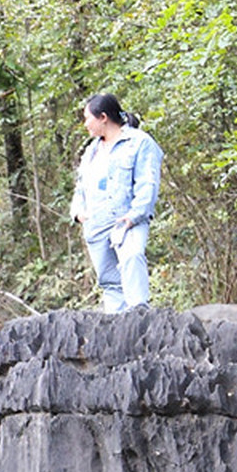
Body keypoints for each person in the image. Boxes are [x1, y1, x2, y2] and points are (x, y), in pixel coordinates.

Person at [70, 93, 164, 312]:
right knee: (111, 284)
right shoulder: (91, 150)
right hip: (97, 225)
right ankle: (117, 330)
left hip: (127, 220)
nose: (85, 124)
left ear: (103, 117)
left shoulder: (139, 143)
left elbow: (148, 184)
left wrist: (134, 216)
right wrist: (78, 212)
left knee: (132, 259)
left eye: (87, 118)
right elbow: (81, 186)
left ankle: (140, 317)